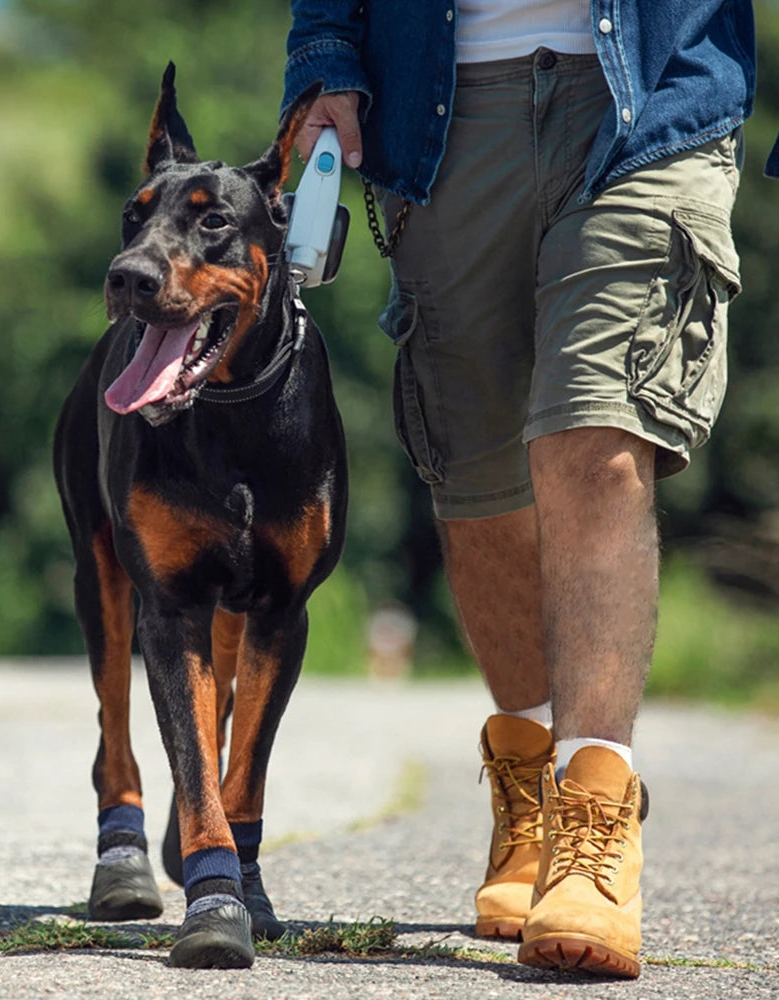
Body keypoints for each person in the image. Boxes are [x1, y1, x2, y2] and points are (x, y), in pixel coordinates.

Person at [283, 1, 759, 979]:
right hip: (439, 108)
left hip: (649, 98)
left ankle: (595, 809)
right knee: (476, 475)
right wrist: (326, 61)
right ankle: (528, 784)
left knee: (593, 435)